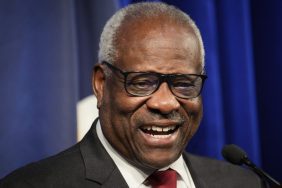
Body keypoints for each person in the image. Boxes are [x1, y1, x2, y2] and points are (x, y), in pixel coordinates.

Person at [0, 2, 264, 188]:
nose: (166, 102)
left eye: (183, 83)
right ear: (101, 84)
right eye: (142, 82)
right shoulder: (32, 185)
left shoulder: (244, 182)